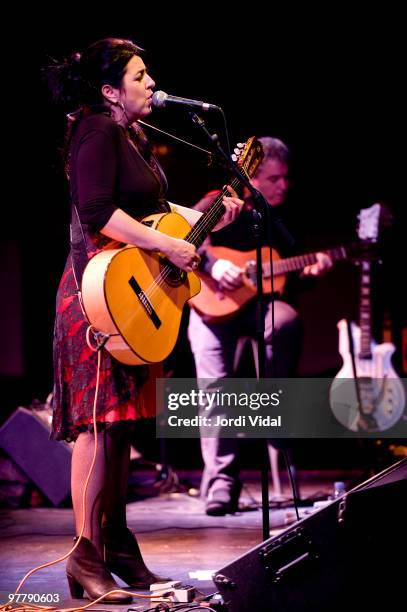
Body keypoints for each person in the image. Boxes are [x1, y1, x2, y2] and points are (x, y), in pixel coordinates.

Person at [45, 37, 243, 603]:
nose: (151, 81)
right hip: (98, 293)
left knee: (120, 425)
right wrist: (168, 245)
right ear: (110, 91)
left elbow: (153, 214)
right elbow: (98, 212)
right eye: (140, 74)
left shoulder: (130, 136)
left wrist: (209, 218)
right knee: (97, 425)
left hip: (130, 293)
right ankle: (84, 557)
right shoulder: (96, 129)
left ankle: (116, 545)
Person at [188, 136, 332, 516]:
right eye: (273, 179)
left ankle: (269, 405)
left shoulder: (284, 216)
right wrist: (212, 265)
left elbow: (284, 277)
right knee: (213, 384)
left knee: (285, 321)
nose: (282, 186)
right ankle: (222, 480)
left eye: (286, 178)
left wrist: (312, 272)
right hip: (209, 304)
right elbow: (183, 240)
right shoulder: (219, 201)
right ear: (252, 177)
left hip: (260, 307)